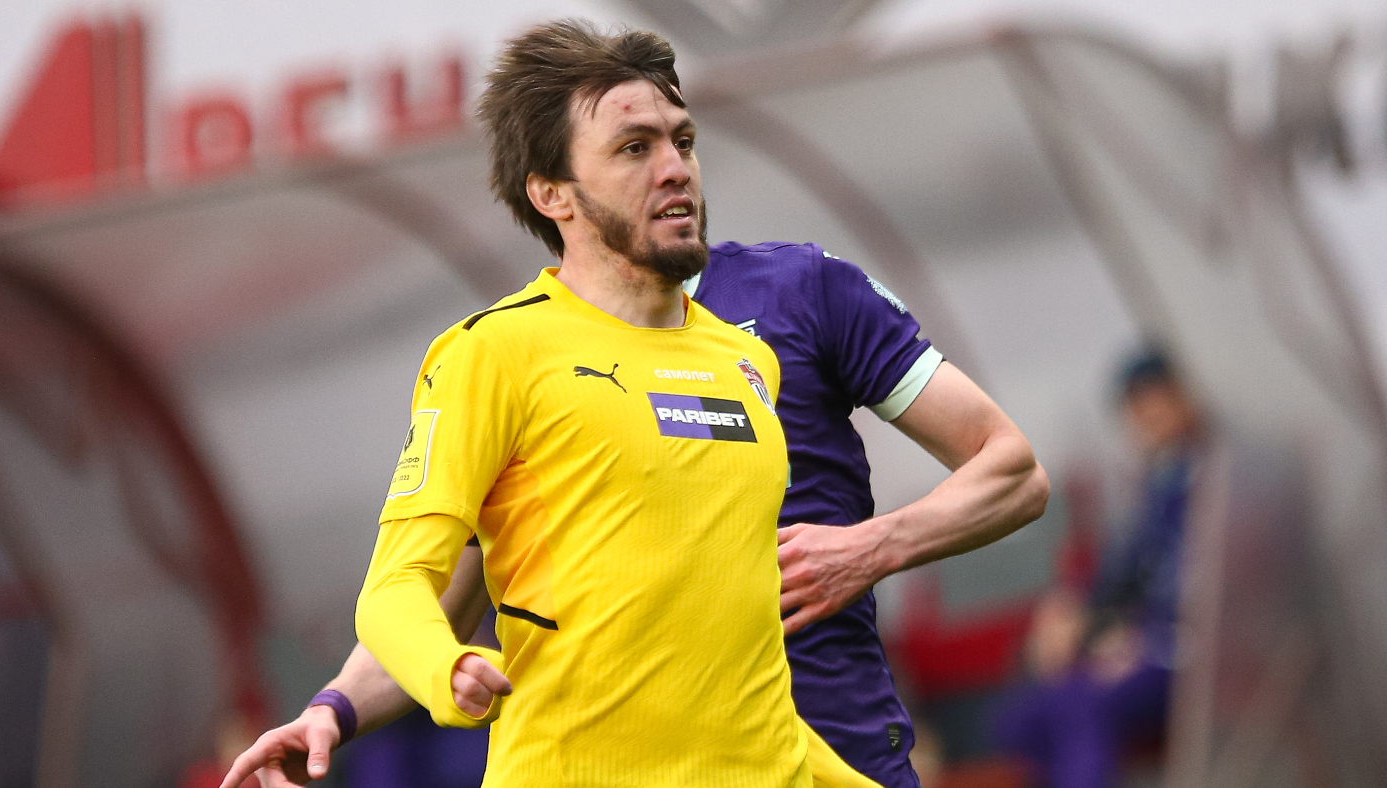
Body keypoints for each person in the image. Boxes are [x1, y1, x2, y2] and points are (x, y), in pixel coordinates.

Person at [221, 19, 1049, 788]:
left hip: (820, 744)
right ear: (552, 194)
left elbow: (1009, 471)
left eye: (683, 141)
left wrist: (870, 548)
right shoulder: (499, 353)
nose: (676, 166)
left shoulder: (756, 346)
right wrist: (366, 695)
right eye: (634, 147)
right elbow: (423, 588)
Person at [992, 349, 1200, 788]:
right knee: (1022, 719)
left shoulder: (1221, 477)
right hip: (1138, 643)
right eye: (1136, 409)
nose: (1147, 418)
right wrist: (1074, 614)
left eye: (1156, 401)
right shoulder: (1156, 486)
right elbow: (1119, 579)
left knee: (1079, 705)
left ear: (1184, 398)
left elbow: (1209, 592)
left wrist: (1142, 641)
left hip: (1191, 654)